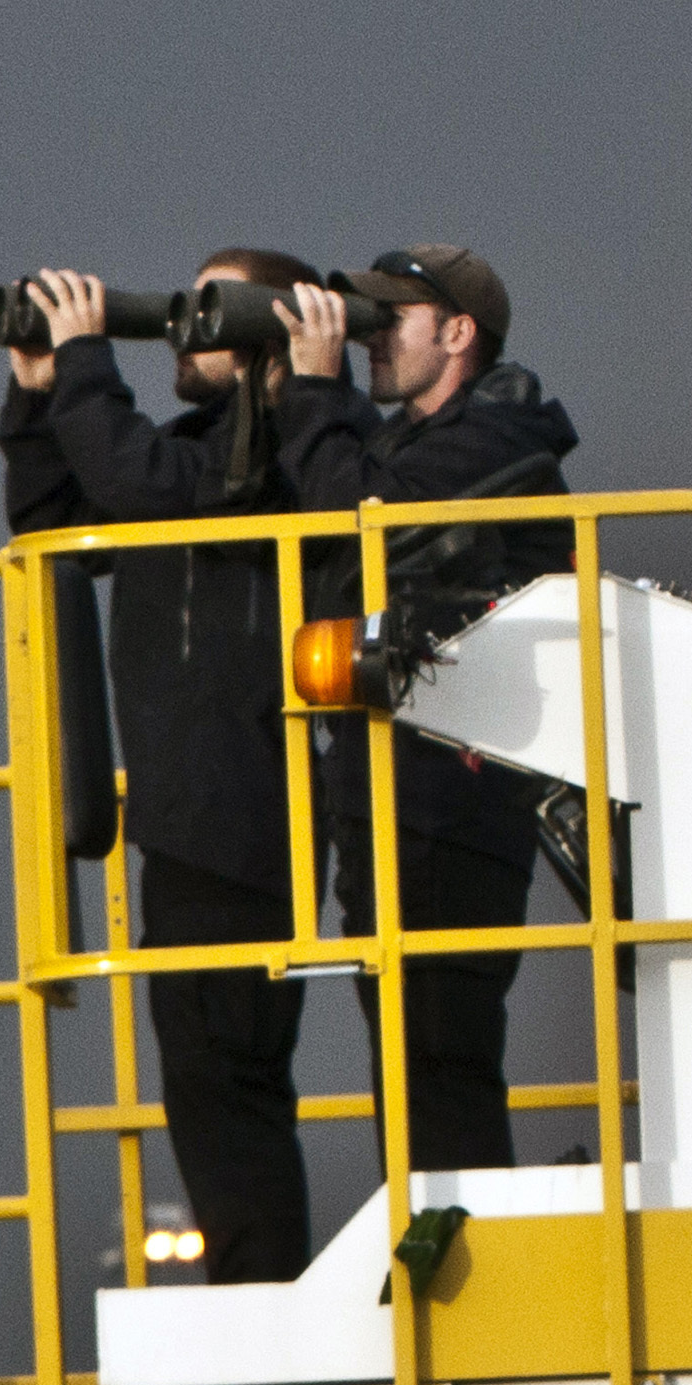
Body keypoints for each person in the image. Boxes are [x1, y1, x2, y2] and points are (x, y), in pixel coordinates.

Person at [0, 248, 330, 1282]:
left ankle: (261, 1296)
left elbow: (144, 486)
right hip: (189, 819)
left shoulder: (283, 461)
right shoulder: (193, 457)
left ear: (273, 342)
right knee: (203, 1080)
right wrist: (39, 395)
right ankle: (256, 1288)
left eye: (211, 310)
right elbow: (57, 529)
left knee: (226, 1077)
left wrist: (93, 354)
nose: (186, 330)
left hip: (246, 815)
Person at [266, 243, 579, 1182]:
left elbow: (355, 518)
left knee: (439, 1048)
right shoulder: (411, 444)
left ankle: (468, 1241)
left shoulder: (497, 441)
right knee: (410, 1051)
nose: (366, 340)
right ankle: (440, 1223)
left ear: (457, 334)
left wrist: (316, 390)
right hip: (398, 794)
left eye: (386, 319)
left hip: (453, 799)